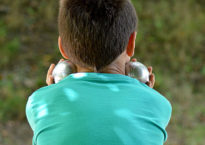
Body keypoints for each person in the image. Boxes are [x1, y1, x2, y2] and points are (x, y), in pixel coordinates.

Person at [26, 0, 172, 145]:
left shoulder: (38, 103)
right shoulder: (159, 105)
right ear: (131, 43)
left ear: (62, 47)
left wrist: (53, 91)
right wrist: (145, 94)